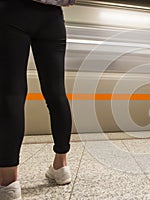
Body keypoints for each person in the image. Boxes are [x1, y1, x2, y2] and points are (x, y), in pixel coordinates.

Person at [0, 1, 73, 199]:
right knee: (56, 92)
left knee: (11, 92)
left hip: (13, 9)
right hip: (52, 16)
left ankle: (8, 181)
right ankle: (61, 166)